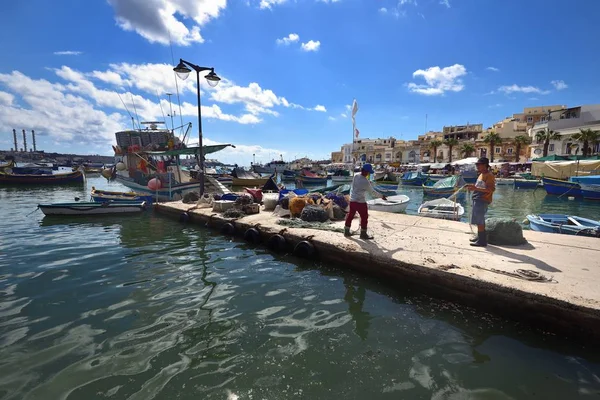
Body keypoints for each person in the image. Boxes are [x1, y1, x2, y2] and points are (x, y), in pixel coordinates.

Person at [344, 163, 387, 239]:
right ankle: (363, 234)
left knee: (350, 215)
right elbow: (373, 192)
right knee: (364, 217)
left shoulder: (356, 175)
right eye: (368, 172)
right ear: (365, 171)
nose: (368, 174)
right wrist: (382, 196)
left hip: (352, 200)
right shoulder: (365, 182)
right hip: (360, 202)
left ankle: (346, 231)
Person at [467, 157, 495, 247]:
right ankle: (479, 237)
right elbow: (479, 186)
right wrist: (473, 187)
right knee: (476, 219)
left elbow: (490, 189)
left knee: (480, 220)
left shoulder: (489, 175)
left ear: (485, 165)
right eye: (477, 165)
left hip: (482, 200)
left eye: (479, 165)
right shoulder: (481, 174)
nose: (477, 166)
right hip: (477, 199)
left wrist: (475, 188)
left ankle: (482, 241)